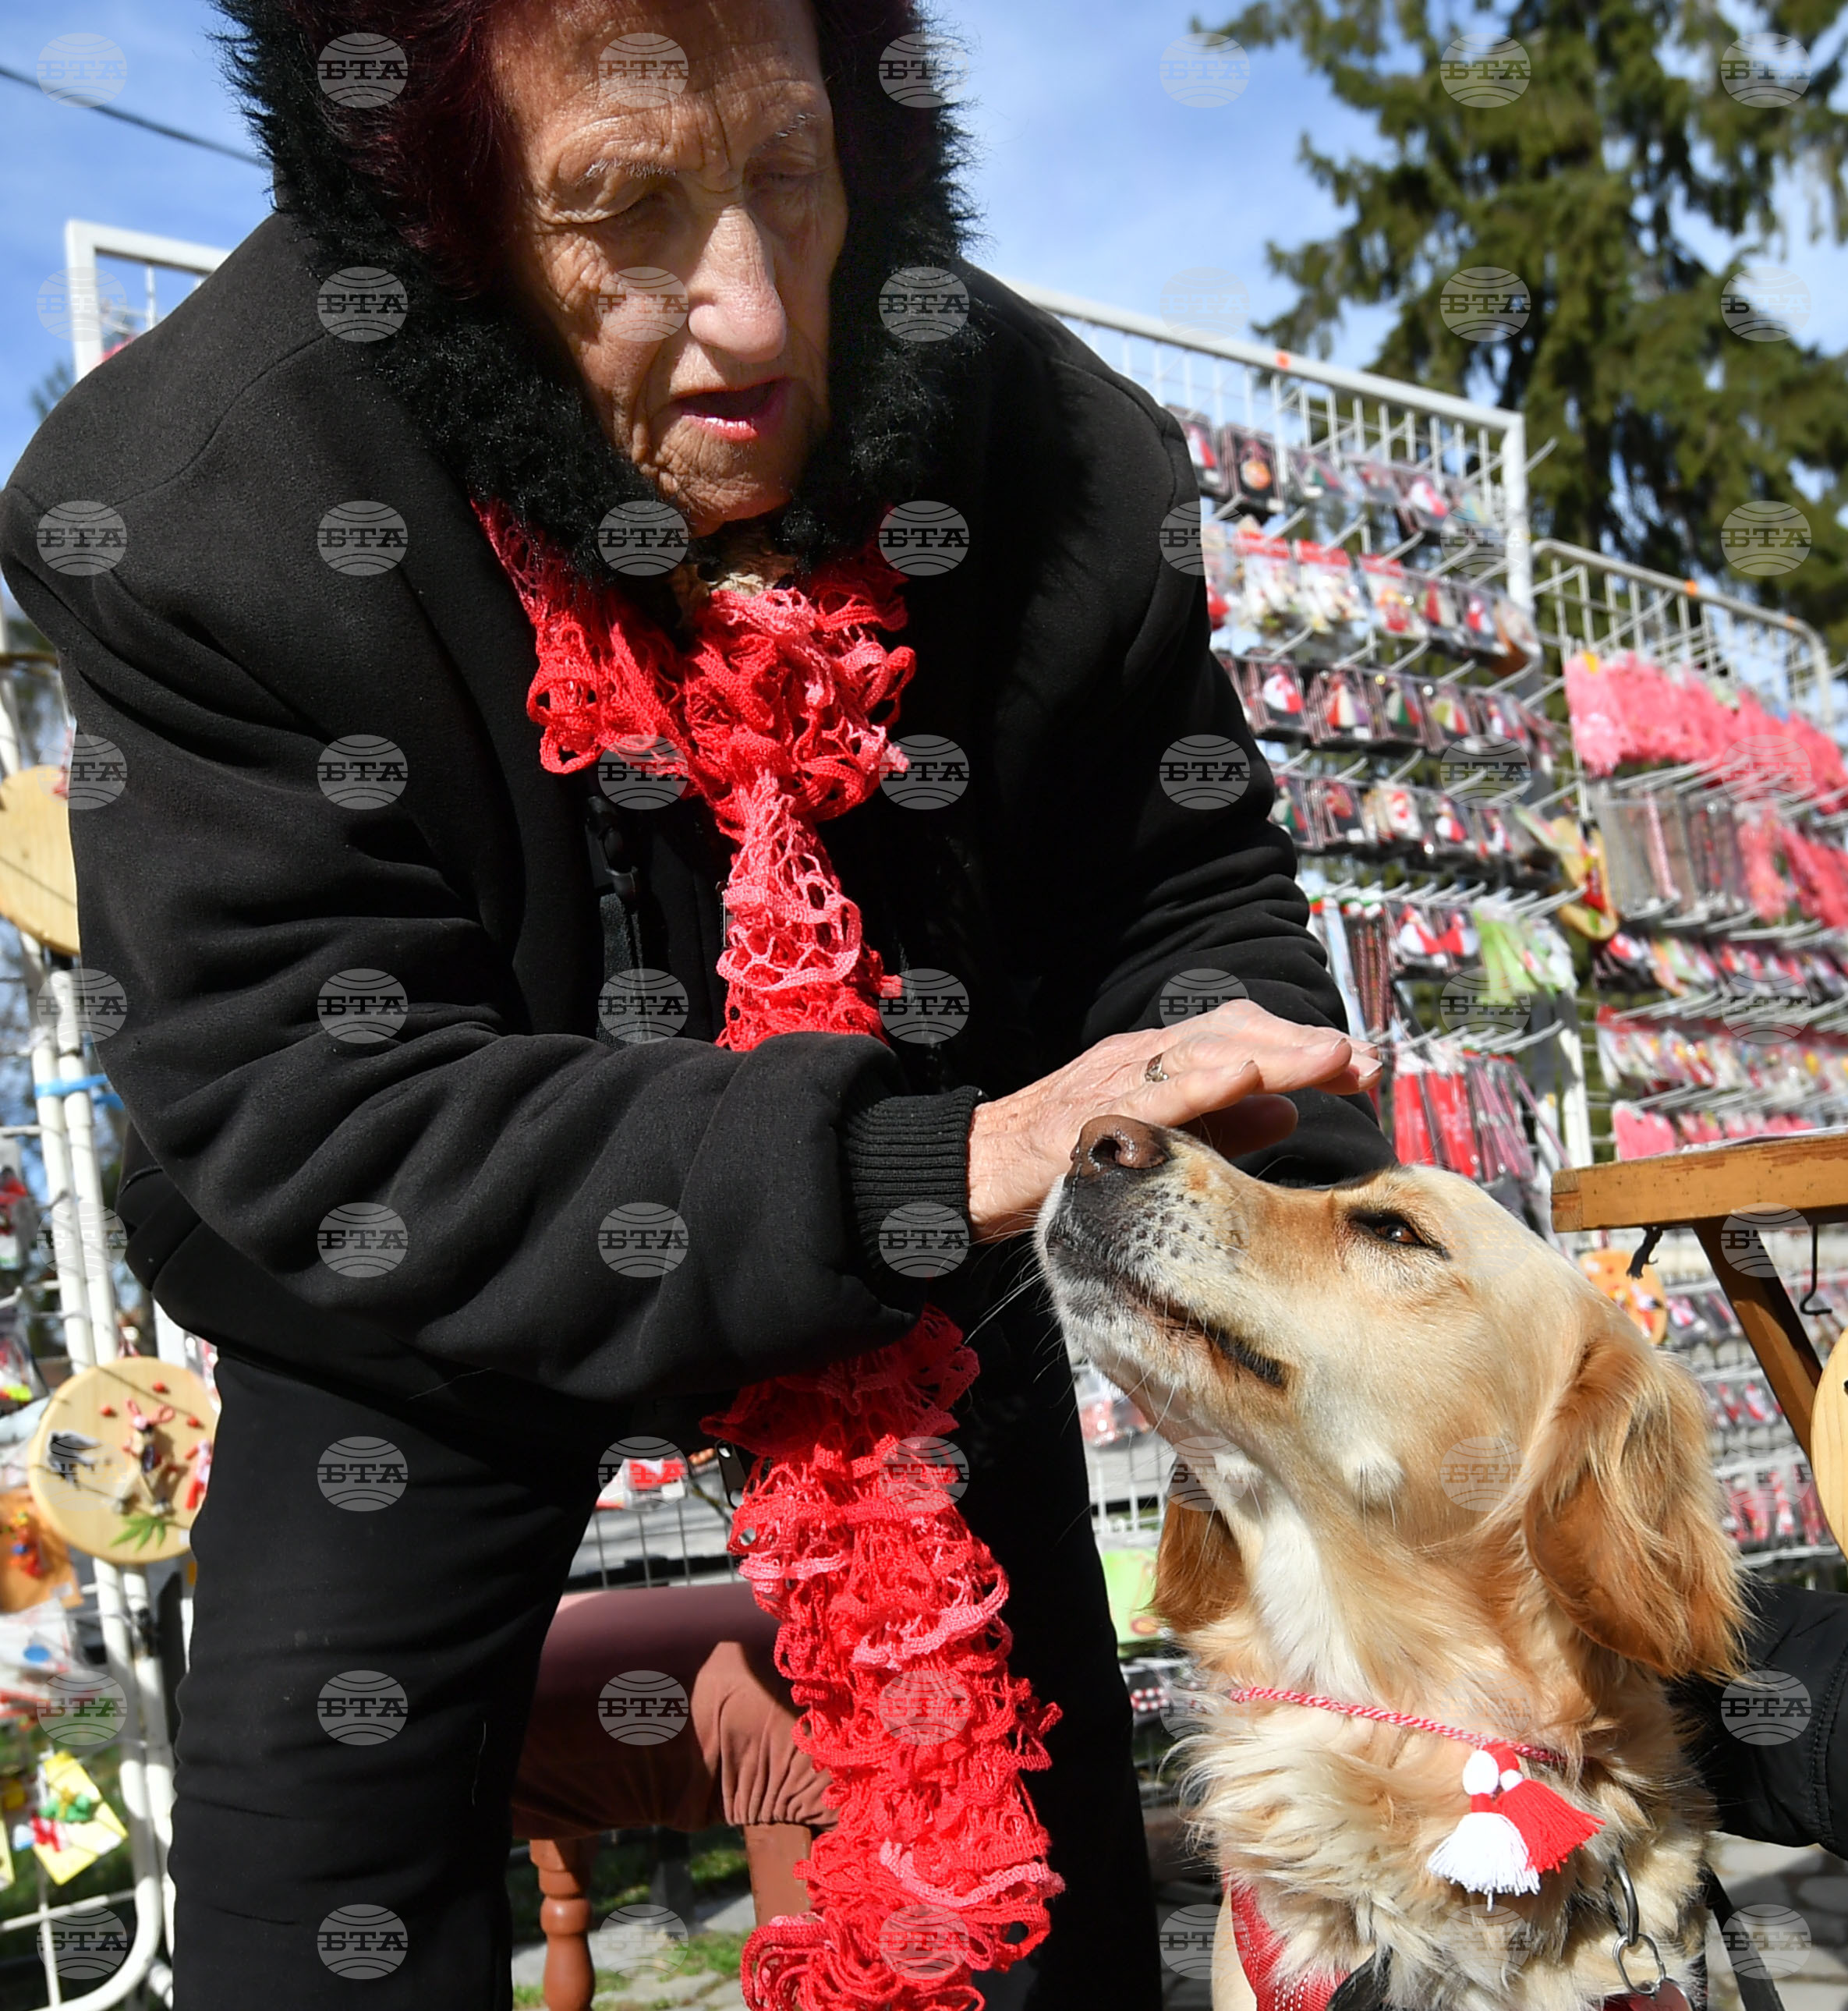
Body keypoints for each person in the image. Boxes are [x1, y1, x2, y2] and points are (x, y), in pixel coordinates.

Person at [0, 0, 1392, 2002]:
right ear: (446, 213)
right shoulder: (194, 506)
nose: (754, 319)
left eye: (793, 177)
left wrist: (1335, 1274)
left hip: (933, 1240)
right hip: (426, 1273)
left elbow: (1182, 893)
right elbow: (327, 1115)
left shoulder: (1052, 450)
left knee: (1042, 1887)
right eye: (627, 213)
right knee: (318, 1893)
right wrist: (931, 1156)